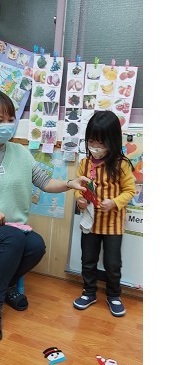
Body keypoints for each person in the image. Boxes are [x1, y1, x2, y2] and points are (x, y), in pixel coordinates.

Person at [0, 90, 90, 342]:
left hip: (9, 229)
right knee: (14, 239)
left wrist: (70, 183)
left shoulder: (21, 153)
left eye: (10, 119)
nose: (6, 125)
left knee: (36, 245)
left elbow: (45, 182)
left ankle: (5, 287)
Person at [73, 111, 135, 316]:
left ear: (112, 141)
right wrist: (79, 198)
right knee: (88, 260)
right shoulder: (84, 163)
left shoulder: (121, 164)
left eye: (100, 143)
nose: (95, 147)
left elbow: (130, 191)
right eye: (91, 141)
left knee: (112, 263)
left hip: (112, 224)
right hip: (90, 222)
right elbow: (78, 187)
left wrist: (115, 203)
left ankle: (114, 295)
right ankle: (89, 292)